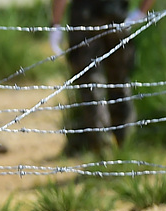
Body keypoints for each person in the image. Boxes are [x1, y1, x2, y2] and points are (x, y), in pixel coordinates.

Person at [49, 0, 156, 153]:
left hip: (85, 19)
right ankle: (125, 147)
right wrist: (142, 11)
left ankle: (104, 152)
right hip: (116, 15)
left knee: (91, 85)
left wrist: (55, 24)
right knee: (119, 81)